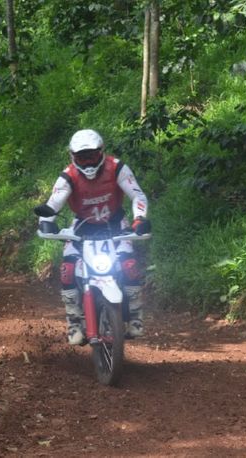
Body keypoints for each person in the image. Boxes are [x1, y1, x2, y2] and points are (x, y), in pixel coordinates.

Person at [38, 129, 151, 345]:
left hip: (116, 226)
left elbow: (137, 194)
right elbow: (53, 203)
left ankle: (136, 318)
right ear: (73, 157)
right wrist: (47, 222)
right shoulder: (68, 176)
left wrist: (139, 219)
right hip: (82, 229)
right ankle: (73, 322)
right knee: (68, 269)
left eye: (92, 156)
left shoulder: (117, 167)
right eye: (82, 157)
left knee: (129, 265)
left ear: (101, 153)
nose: (88, 162)